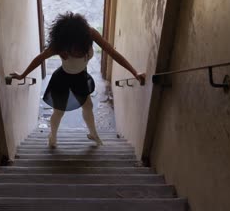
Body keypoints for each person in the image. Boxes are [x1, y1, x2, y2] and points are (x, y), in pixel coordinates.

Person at [10, 12, 145, 148]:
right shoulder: (59, 45)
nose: (78, 52)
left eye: (80, 48)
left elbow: (113, 53)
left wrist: (134, 72)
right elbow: (40, 58)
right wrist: (22, 75)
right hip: (62, 79)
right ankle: (53, 136)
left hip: (80, 77)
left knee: (88, 106)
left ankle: (93, 133)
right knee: (59, 111)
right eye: (74, 49)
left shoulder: (90, 33)